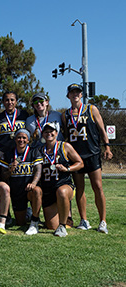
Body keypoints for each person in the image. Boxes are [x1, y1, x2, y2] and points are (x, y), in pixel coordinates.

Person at [62, 83, 113, 233]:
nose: (75, 94)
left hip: (92, 153)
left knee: (97, 187)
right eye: (72, 92)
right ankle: (84, 220)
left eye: (78, 92)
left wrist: (107, 147)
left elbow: (102, 130)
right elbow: (66, 135)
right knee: (80, 189)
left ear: (81, 94)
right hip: (76, 157)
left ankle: (102, 221)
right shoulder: (65, 115)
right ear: (68, 96)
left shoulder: (91, 109)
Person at [39, 122, 83, 237]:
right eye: (46, 132)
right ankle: (62, 216)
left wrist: (67, 168)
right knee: (51, 226)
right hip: (48, 189)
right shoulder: (39, 150)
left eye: (51, 131)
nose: (49, 134)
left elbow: (80, 163)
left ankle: (63, 225)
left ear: (56, 133)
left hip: (63, 184)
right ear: (43, 134)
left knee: (62, 192)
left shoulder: (64, 146)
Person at [0, 129, 43, 235]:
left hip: (29, 188)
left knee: (37, 191)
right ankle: (28, 213)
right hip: (16, 190)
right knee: (20, 223)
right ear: (15, 139)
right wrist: (10, 170)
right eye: (19, 137)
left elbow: (38, 169)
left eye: (24, 138)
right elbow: (2, 175)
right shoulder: (8, 154)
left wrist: (33, 183)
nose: (21, 140)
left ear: (28, 140)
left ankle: (34, 222)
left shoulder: (34, 151)